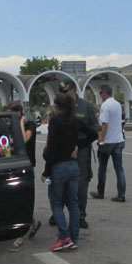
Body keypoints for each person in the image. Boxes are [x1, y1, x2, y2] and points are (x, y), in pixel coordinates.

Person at [50, 77, 100, 229]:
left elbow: (95, 128)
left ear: (73, 90)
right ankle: (57, 212)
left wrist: (81, 145)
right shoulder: (60, 106)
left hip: (82, 150)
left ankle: (80, 215)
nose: (64, 95)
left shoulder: (85, 106)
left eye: (65, 91)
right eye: (61, 92)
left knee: (81, 183)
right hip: (63, 151)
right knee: (61, 181)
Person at [42, 93, 81, 251]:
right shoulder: (75, 120)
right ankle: (74, 237)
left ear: (58, 107)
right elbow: (93, 132)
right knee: (73, 203)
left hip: (58, 167)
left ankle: (64, 237)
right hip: (73, 166)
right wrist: (78, 146)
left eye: (54, 106)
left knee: (56, 202)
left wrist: (46, 172)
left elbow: (51, 148)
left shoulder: (55, 121)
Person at [4, 101, 40, 251]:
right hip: (12, 166)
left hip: (26, 166)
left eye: (10, 115)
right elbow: (6, 147)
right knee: (14, 200)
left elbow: (24, 140)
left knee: (20, 200)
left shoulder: (29, 124)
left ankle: (19, 238)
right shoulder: (8, 126)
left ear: (18, 113)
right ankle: (33, 222)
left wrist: (20, 123)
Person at [90, 84, 126, 202]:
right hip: (119, 140)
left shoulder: (105, 105)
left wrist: (101, 141)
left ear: (105, 93)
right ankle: (121, 194)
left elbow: (104, 124)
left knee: (102, 168)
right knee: (119, 168)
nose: (100, 96)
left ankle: (100, 192)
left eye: (101, 94)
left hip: (108, 142)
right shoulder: (117, 104)